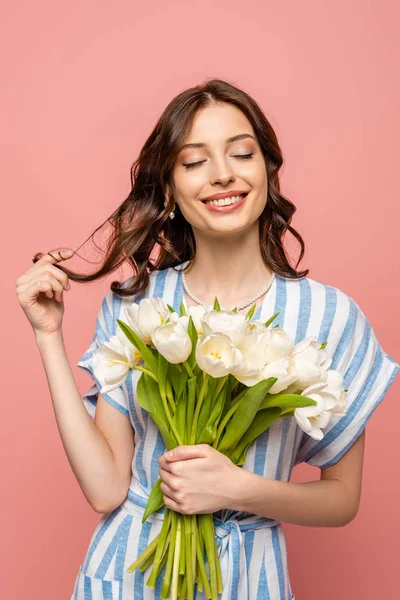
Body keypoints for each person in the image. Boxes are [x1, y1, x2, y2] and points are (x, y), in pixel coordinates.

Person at [16, 79, 399, 600]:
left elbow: (342, 499)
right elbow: (105, 489)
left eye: (242, 153)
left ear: (267, 170)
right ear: (170, 189)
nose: (223, 174)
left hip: (250, 577)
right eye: (194, 162)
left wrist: (238, 488)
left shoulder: (330, 317)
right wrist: (48, 337)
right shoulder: (137, 305)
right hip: (127, 577)